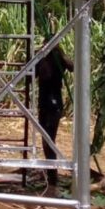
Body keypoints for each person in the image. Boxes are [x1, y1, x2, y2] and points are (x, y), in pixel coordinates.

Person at [35, 43, 73, 195]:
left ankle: (53, 179)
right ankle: (51, 174)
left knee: (49, 141)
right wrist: (40, 55)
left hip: (54, 104)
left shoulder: (58, 58)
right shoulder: (42, 59)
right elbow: (32, 74)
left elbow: (72, 67)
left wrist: (60, 54)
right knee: (46, 141)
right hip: (44, 104)